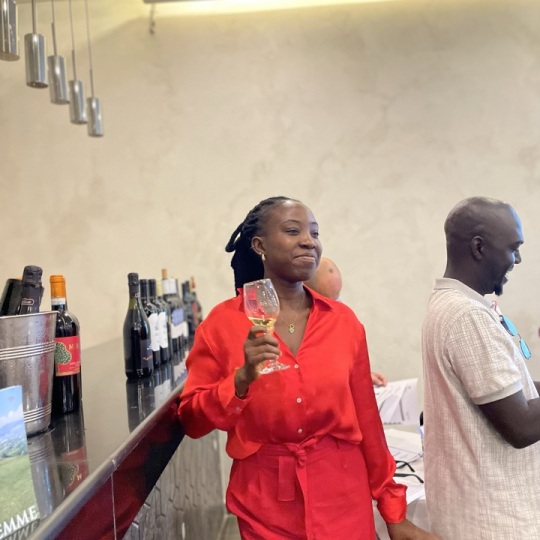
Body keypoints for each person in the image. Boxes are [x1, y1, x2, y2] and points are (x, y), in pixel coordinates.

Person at [179, 196, 438, 540]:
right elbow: (191, 421)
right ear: (259, 245)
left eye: (314, 233)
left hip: (343, 497)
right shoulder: (222, 324)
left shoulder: (343, 323)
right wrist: (240, 381)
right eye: (292, 231)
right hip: (265, 505)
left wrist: (394, 514)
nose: (308, 241)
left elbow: (368, 424)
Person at [422, 196, 540, 539]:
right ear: (479, 247)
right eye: (513, 248)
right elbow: (520, 427)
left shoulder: (454, 304)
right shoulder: (467, 316)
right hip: (494, 519)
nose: (518, 259)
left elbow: (511, 389)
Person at [305, 256, 388, 387]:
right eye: (326, 300)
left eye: (336, 297)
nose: (333, 305)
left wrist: (360, 376)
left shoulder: (342, 312)